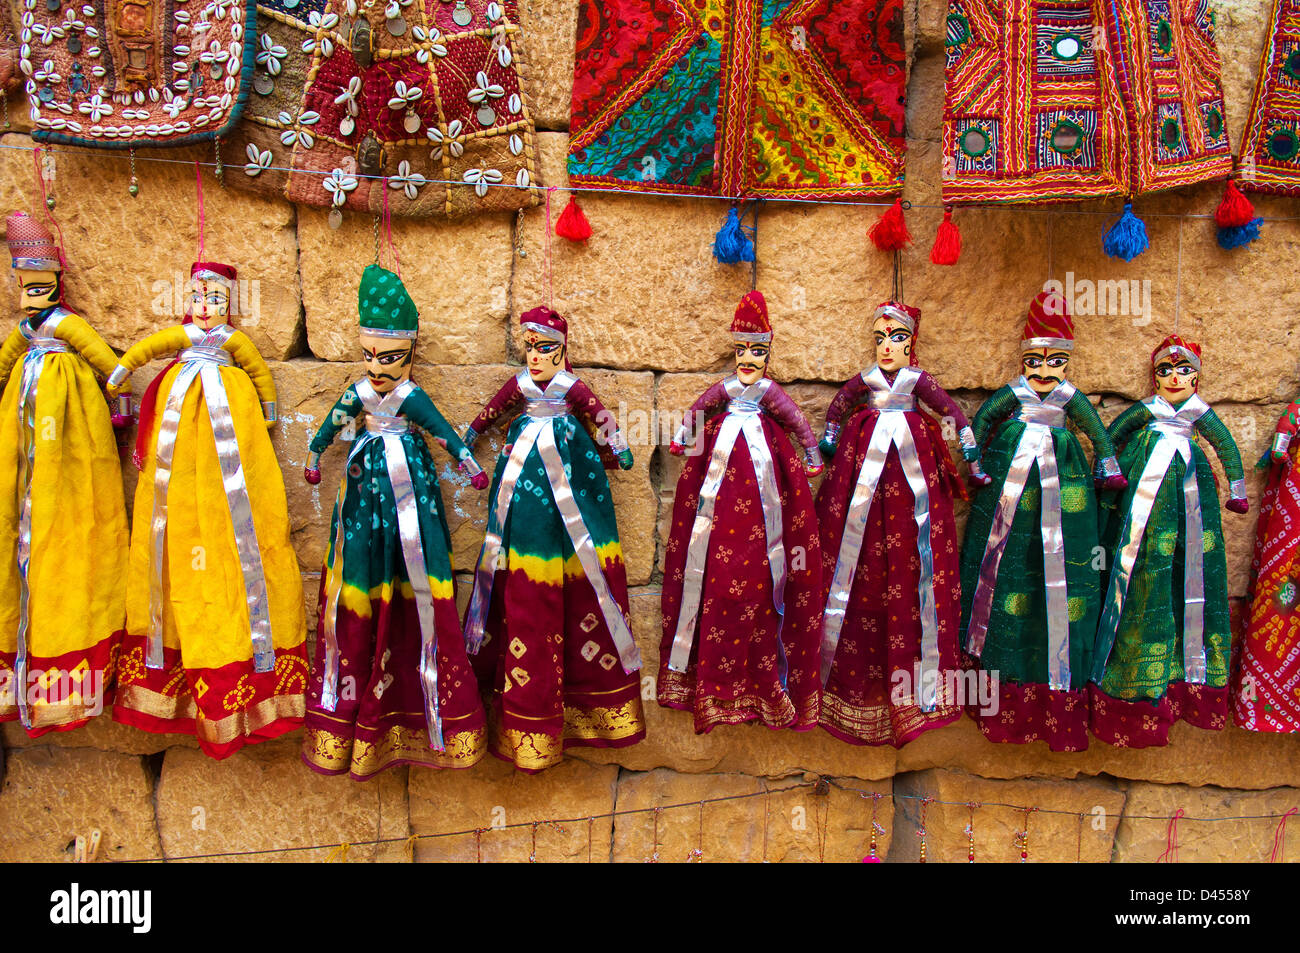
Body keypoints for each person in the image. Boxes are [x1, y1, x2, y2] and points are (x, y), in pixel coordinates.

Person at [107, 261, 307, 759]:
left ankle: (251, 677)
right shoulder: (181, 339)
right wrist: (120, 375)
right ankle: (173, 679)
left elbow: (258, 369)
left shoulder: (232, 345)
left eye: (216, 300)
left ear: (228, 304)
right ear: (188, 299)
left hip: (232, 428)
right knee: (171, 527)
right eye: (199, 298)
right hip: (180, 432)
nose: (206, 307)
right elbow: (144, 350)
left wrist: (267, 408)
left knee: (242, 518)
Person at [300, 265, 490, 779]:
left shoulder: (411, 398)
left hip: (414, 496)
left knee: (418, 575)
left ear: (408, 355)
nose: (377, 369)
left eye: (389, 359)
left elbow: (445, 434)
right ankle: (353, 703)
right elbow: (329, 426)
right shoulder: (359, 395)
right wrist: (315, 456)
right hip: (363, 495)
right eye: (369, 358)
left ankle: (421, 692)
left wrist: (470, 465)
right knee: (358, 574)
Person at [462, 307, 645, 771]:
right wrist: (470, 434)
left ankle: (587, 703)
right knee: (523, 564)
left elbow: (599, 415)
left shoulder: (571, 389)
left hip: (573, 475)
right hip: (523, 483)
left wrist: (618, 448)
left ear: (563, 349)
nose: (537, 357)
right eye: (531, 347)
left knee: (582, 560)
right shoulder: (521, 387)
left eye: (546, 348)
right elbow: (491, 410)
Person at [960, 290, 1126, 751]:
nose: (1043, 368)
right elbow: (981, 419)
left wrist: (1108, 464)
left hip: (1063, 484)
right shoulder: (1013, 393)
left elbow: (1095, 431)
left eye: (1054, 359)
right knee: (1002, 562)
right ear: (1024, 357)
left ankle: (1054, 681)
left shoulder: (1070, 398)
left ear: (1065, 361)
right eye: (1035, 358)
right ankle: (988, 666)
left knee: (1059, 569)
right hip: (1008, 488)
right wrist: (973, 459)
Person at [659, 290, 824, 733]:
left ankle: (765, 679)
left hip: (766, 478)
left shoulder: (769, 392)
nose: (748, 358)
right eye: (742, 350)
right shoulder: (727, 390)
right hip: (718, 476)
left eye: (757, 351)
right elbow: (700, 407)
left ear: (768, 353)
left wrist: (811, 454)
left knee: (762, 566)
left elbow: (797, 422)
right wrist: (682, 434)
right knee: (708, 556)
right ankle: (703, 678)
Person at [816, 301, 979, 746]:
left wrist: (972, 453)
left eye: (898, 339)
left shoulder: (918, 383)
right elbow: (840, 403)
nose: (888, 348)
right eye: (881, 339)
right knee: (854, 552)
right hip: (862, 468)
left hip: (913, 478)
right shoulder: (866, 383)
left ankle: (921, 689)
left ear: (912, 344)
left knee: (917, 558)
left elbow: (951, 413)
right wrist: (830, 439)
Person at [0, 211, 130, 734]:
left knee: (74, 518)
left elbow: (106, 360)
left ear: (55, 281)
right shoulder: (23, 333)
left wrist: (118, 398)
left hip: (71, 423)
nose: (35, 293)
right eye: (26, 285)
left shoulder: (65, 326)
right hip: (23, 427)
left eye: (42, 284)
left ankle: (70, 671)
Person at [1090, 335, 1246, 746]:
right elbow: (1114, 432)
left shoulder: (1199, 414)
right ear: (1154, 376)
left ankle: (1183, 677)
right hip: (1139, 499)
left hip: (1189, 502)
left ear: (1197, 376)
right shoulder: (1148, 410)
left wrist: (1238, 488)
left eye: (1184, 370)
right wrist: (1104, 467)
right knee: (1131, 565)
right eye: (1165, 370)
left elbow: (1226, 445)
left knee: (1187, 568)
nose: (1174, 377)